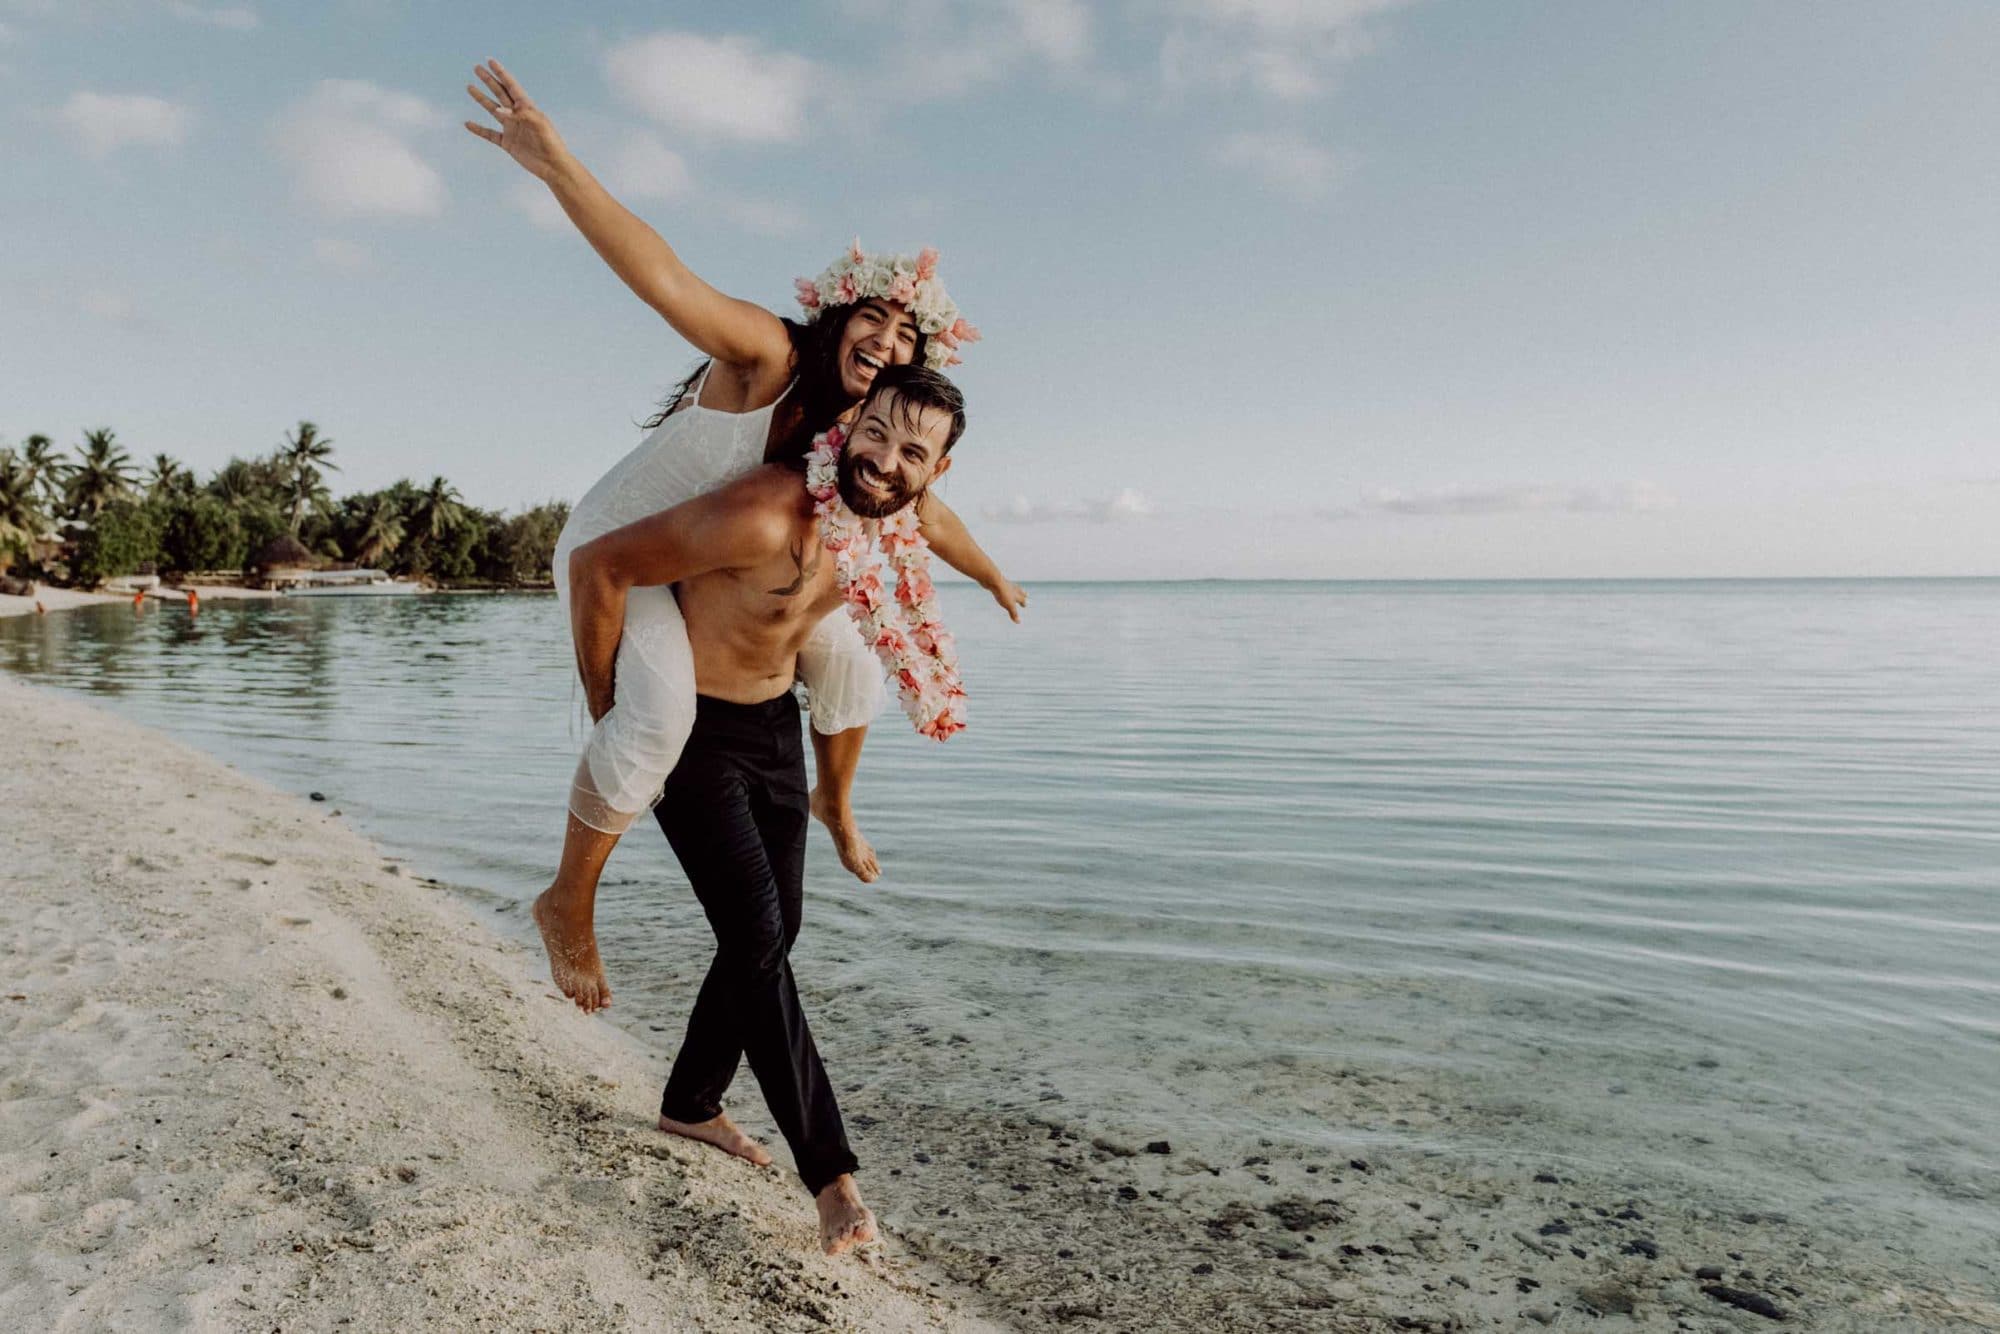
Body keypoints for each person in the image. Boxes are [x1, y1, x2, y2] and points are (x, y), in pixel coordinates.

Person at [462, 59, 1025, 1015]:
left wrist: (994, 577)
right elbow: (664, 276)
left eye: (904, 345)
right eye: (874, 324)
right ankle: (568, 899)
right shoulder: (769, 357)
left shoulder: (861, 441)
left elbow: (927, 512)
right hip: (619, 551)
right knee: (651, 724)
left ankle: (831, 800)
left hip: (705, 554)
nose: (885, 347)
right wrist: (555, 163)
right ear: (839, 315)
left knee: (851, 666)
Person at [567, 363, 969, 1255]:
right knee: (756, 937)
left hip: (773, 725)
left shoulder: (890, 527)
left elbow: (944, 547)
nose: (885, 459)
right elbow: (603, 564)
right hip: (691, 730)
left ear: (933, 473)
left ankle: (689, 1103)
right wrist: (611, 715)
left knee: (774, 932)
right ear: (852, 421)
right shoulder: (763, 512)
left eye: (913, 450)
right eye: (877, 432)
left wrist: (1004, 585)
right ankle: (830, 1174)